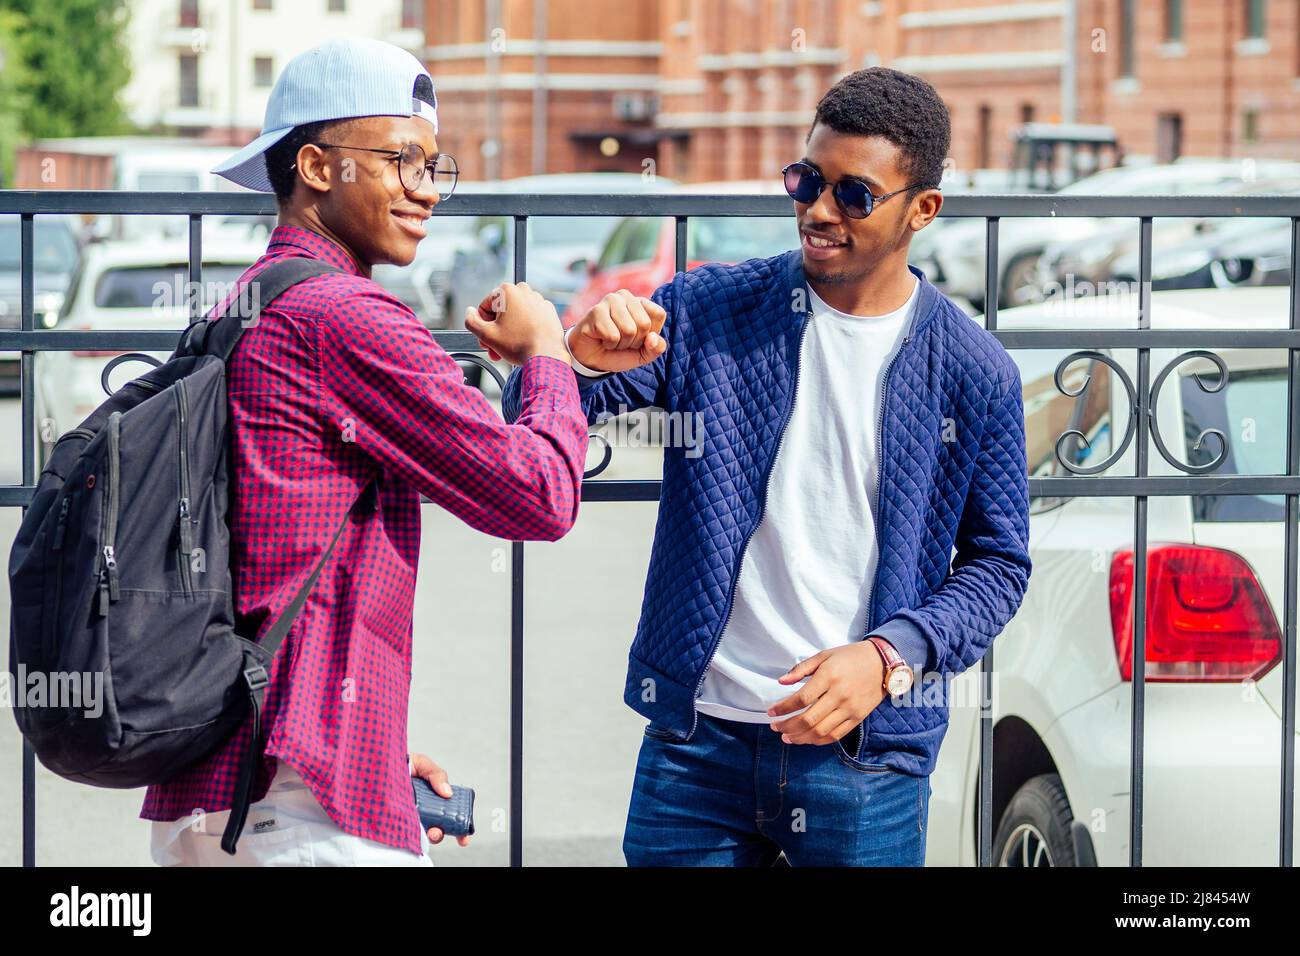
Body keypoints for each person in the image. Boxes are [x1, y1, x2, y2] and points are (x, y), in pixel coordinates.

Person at [503, 67, 1031, 866]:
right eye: (806, 179)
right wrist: (576, 358)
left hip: (865, 758)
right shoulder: (709, 309)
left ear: (923, 209)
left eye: (854, 195)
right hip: (697, 746)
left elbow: (999, 566)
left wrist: (890, 658)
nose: (818, 210)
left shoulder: (974, 370)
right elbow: (543, 422)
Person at [142, 37, 602, 866]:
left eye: (435, 165)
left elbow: (280, 559)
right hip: (296, 811)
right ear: (318, 167)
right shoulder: (345, 318)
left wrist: (375, 761)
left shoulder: (248, 304)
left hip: (223, 780)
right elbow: (540, 495)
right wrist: (548, 357)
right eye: (401, 160)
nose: (426, 190)